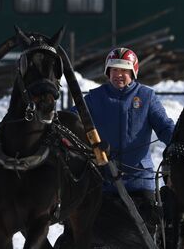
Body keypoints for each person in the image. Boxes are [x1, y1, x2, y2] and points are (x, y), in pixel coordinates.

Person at [71, 47, 175, 233]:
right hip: (103, 182)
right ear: (108, 72)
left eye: (124, 70)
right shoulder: (94, 98)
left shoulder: (147, 96)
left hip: (140, 182)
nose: (119, 74)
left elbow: (165, 127)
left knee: (152, 233)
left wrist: (178, 143)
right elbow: (71, 122)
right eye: (115, 70)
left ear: (133, 72)